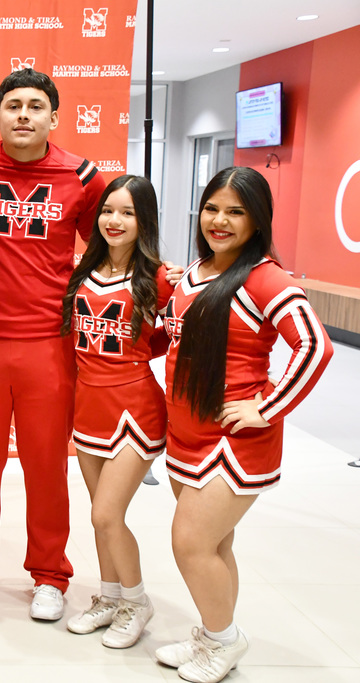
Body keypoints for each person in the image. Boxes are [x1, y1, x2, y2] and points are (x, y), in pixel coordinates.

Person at [0, 68, 107, 620]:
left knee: (45, 467)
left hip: (49, 344)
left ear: (53, 118)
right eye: (13, 105)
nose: (24, 115)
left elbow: (114, 245)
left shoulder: (84, 177)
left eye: (36, 106)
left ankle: (51, 575)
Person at [157, 167, 332, 683]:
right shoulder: (197, 269)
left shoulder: (265, 277)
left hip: (233, 441)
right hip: (186, 431)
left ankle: (225, 642)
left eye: (236, 211)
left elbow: (314, 346)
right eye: (213, 208)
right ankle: (215, 636)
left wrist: (267, 407)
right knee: (216, 546)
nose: (221, 220)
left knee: (190, 545)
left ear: (258, 220)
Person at [59, 175, 174, 648]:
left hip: (135, 408)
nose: (114, 220)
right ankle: (108, 597)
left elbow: (175, 341)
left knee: (107, 516)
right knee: (97, 514)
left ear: (144, 220)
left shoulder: (162, 278)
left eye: (127, 213)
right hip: (88, 406)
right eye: (109, 210)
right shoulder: (82, 271)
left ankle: (135, 601)